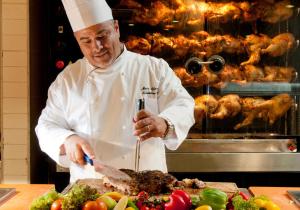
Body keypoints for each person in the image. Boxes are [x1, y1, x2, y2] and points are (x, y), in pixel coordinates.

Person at [35, 0, 195, 183]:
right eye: (86, 41)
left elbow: (183, 105)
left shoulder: (153, 68)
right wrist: (67, 139)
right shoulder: (68, 79)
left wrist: (165, 123)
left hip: (148, 187)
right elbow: (46, 125)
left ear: (116, 28)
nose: (97, 47)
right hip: (91, 187)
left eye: (102, 36)